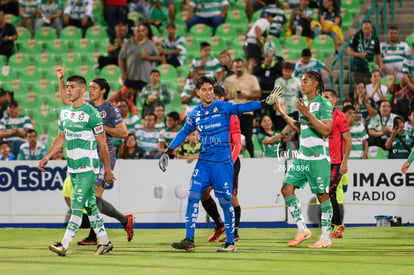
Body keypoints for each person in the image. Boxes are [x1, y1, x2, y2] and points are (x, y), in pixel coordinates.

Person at [159, 76, 272, 252]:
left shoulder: (224, 107)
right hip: (203, 162)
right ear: (197, 92)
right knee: (193, 195)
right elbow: (183, 132)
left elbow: (243, 107)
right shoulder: (195, 113)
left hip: (222, 163)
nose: (208, 92)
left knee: (225, 201)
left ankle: (230, 242)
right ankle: (189, 239)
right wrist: (168, 150)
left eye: (210, 89)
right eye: (204, 89)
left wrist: (264, 103)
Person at [56, 65, 134, 245]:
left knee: (94, 198)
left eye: (93, 88)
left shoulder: (110, 108)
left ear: (103, 91)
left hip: (103, 154)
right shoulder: (87, 106)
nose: (89, 91)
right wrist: (61, 79)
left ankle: (97, 236)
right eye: (88, 88)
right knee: (93, 198)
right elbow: (65, 101)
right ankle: (120, 223)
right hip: (87, 154)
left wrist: (99, 127)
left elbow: (123, 133)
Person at [38, 75, 115, 256]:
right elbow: (60, 138)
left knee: (77, 202)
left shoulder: (92, 114)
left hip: (88, 167)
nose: (68, 90)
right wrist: (47, 156)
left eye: (72, 86)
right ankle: (105, 242)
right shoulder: (65, 112)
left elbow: (103, 144)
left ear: (82, 90)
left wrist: (108, 171)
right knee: (91, 206)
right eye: (67, 86)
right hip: (72, 167)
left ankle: (64, 245)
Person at [275, 71, 334, 248]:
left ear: (316, 83)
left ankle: (326, 238)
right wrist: (285, 115)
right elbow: (303, 129)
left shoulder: (324, 103)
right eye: (301, 81)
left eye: (305, 81)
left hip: (318, 158)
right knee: (286, 189)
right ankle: (302, 230)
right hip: (302, 157)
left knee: (322, 195)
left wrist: (308, 114)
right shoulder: (304, 104)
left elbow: (326, 130)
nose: (302, 84)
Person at [199, 85, 242, 243]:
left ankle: (235, 233)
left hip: (229, 162)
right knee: (203, 192)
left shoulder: (231, 116)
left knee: (231, 197)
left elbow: (237, 143)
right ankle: (219, 225)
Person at [322, 89, 351, 239]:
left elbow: (348, 140)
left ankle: (337, 225)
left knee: (330, 190)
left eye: (326, 97)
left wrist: (344, 163)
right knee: (324, 193)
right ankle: (335, 225)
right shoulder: (318, 115)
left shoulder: (340, 116)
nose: (323, 99)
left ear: (333, 100)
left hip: (336, 162)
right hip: (321, 161)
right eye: (322, 97)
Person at [224, 58, 261, 158]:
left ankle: (252, 159)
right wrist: (228, 97)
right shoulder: (228, 80)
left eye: (240, 66)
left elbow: (258, 94)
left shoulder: (252, 78)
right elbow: (224, 96)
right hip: (232, 113)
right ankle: (229, 160)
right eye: (236, 67)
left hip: (246, 113)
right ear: (233, 68)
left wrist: (246, 96)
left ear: (244, 67)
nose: (239, 69)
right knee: (230, 139)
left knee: (248, 139)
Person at [118, 23, 161, 96]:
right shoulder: (128, 43)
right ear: (134, 32)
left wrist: (148, 57)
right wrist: (123, 73)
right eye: (138, 31)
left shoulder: (150, 43)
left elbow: (158, 58)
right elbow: (121, 58)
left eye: (142, 31)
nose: (140, 33)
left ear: (145, 32)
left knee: (145, 101)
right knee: (128, 100)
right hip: (130, 77)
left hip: (145, 77)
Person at [347, 21, 386, 87]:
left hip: (369, 67)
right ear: (362, 28)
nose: (366, 30)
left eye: (368, 28)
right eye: (365, 28)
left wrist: (381, 65)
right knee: (359, 87)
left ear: (371, 29)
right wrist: (359, 55)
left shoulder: (375, 39)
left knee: (370, 86)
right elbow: (349, 51)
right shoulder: (356, 37)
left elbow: (377, 54)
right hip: (358, 66)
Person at [274, 62, 302, 131]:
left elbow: (303, 92)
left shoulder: (297, 81)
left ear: (292, 71)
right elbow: (275, 94)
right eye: (285, 71)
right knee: (281, 130)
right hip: (281, 110)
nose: (286, 73)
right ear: (282, 71)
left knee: (296, 130)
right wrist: (274, 104)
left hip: (294, 109)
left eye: (288, 71)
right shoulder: (278, 81)